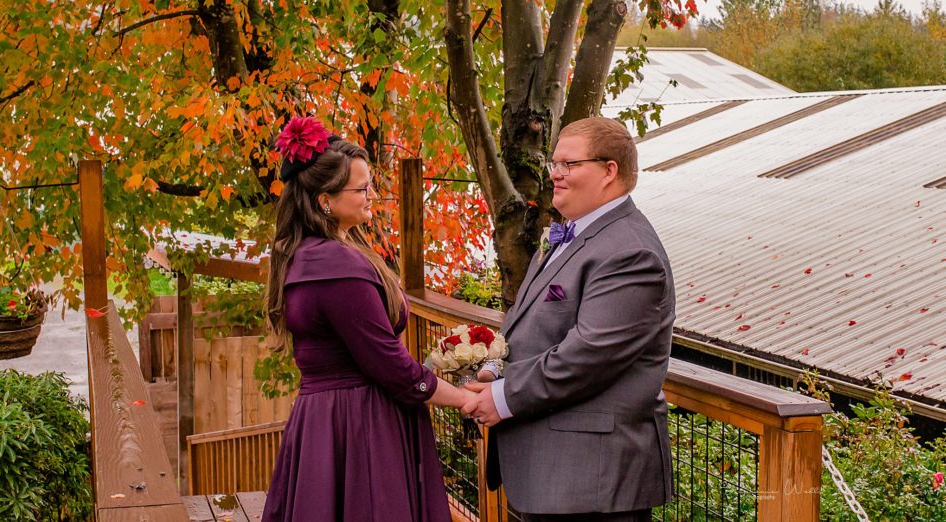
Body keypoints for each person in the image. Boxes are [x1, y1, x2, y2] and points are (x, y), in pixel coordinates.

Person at [462, 117, 675, 522]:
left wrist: (503, 398)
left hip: (590, 484)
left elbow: (587, 355)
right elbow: (526, 323)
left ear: (609, 171)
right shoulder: (567, 233)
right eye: (553, 164)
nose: (555, 174)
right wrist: (494, 368)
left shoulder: (630, 252)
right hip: (550, 475)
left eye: (568, 164)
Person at [262, 116, 470, 522]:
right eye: (362, 188)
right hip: (359, 426)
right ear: (326, 199)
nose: (372, 195)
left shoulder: (309, 254)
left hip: (324, 422)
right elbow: (391, 367)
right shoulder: (336, 265)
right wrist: (465, 398)